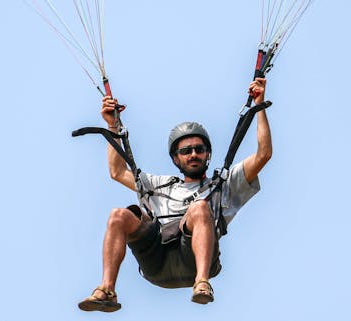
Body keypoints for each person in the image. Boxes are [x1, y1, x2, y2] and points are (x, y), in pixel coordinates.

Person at [78, 78, 272, 312]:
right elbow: (117, 171)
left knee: (200, 208)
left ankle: (202, 283)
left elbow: (263, 155)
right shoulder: (157, 186)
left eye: (199, 150)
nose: (193, 155)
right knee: (118, 215)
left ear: (207, 155)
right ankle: (107, 289)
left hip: (194, 261)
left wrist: (258, 107)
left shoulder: (224, 185)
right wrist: (112, 126)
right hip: (156, 261)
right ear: (175, 159)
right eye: (186, 151)